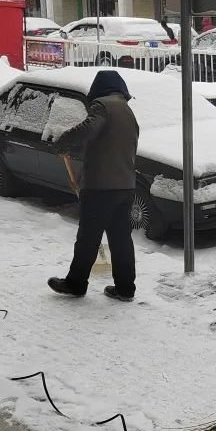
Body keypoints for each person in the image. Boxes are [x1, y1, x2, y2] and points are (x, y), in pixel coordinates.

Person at [48, 71, 140, 302]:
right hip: (125, 186)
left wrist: (63, 142)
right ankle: (125, 288)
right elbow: (110, 144)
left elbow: (88, 129)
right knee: (121, 240)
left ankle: (76, 283)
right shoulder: (128, 112)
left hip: (101, 187)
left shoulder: (102, 107)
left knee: (88, 238)